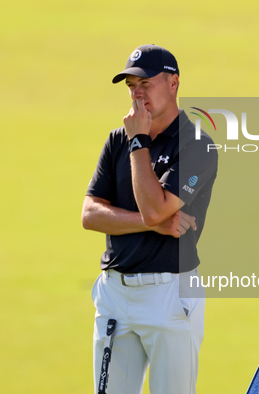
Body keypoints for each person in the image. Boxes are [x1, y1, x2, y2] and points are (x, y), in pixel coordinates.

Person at [81, 44, 217, 394]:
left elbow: (156, 207)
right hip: (115, 292)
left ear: (173, 83)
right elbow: (91, 214)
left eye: (145, 83)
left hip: (170, 292)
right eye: (130, 85)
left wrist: (139, 140)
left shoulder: (198, 145)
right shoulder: (117, 140)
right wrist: (154, 224)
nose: (136, 93)